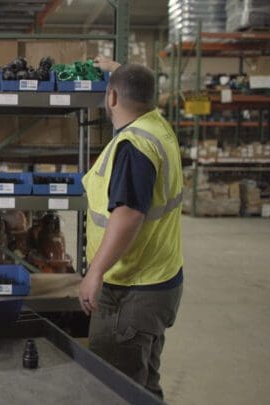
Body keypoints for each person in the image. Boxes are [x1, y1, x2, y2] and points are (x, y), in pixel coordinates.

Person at [78, 59, 184, 399]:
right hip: (160, 280)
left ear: (110, 97)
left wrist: (95, 271)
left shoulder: (133, 146)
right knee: (144, 385)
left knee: (115, 388)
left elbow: (128, 215)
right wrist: (120, 69)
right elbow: (137, 85)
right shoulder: (158, 126)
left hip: (131, 290)